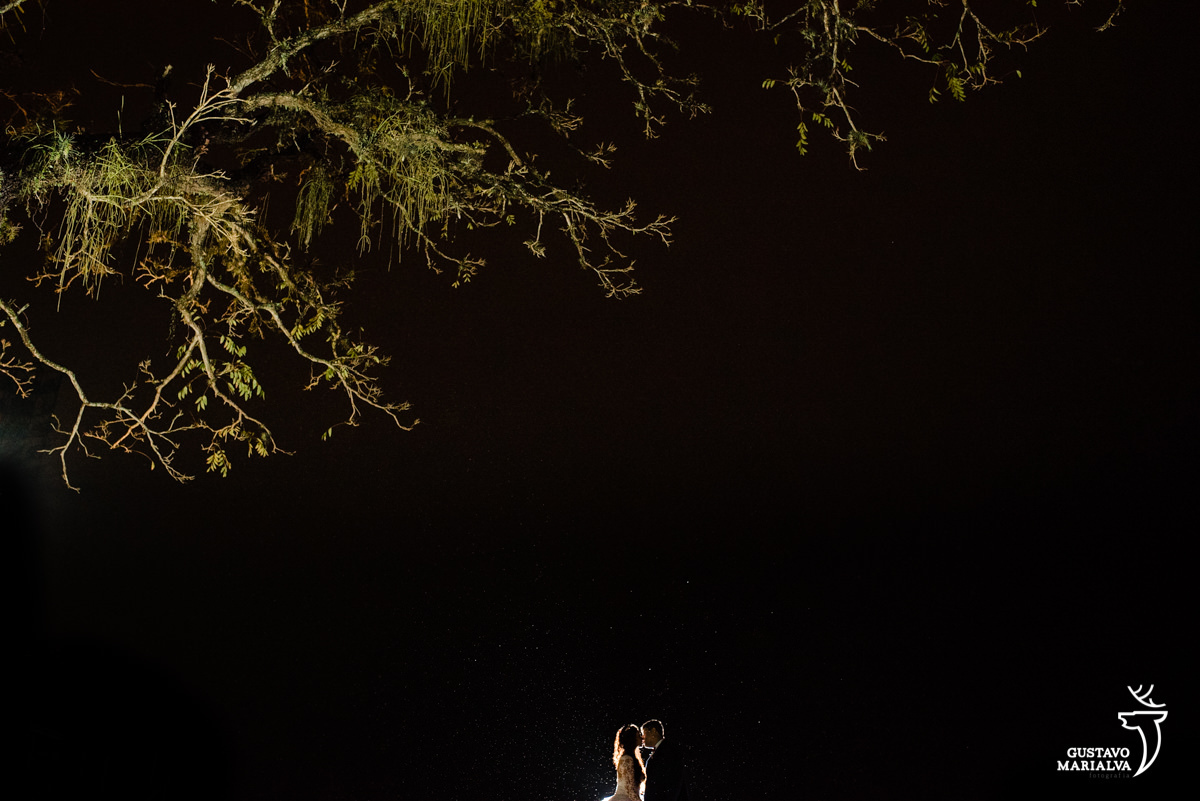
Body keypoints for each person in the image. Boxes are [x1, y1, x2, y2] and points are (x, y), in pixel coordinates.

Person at [640, 719, 687, 801]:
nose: (642, 737)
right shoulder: (662, 751)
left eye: (644, 733)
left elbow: (673, 783)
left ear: (653, 731)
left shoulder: (669, 751)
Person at [602, 724, 645, 801]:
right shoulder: (627, 759)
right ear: (633, 738)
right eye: (639, 735)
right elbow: (629, 789)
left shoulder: (632, 758)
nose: (642, 737)